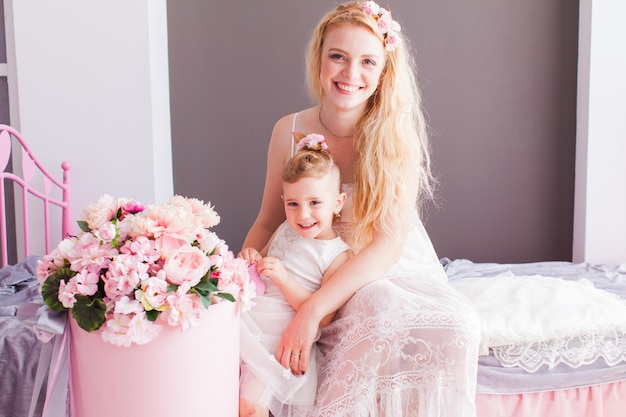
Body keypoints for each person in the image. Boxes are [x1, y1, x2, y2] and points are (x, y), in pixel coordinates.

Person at [241, 1, 481, 416]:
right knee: (367, 305)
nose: (351, 74)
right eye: (338, 57)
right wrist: (242, 280)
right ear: (319, 58)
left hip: (376, 261)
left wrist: (313, 311)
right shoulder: (290, 130)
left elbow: (387, 247)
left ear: (383, 72)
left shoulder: (395, 138)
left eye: (368, 61)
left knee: (432, 316)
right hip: (309, 257)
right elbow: (268, 220)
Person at [238, 134, 353, 417]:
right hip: (249, 321)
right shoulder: (285, 229)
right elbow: (263, 259)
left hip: (278, 338)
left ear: (337, 203)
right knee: (224, 393)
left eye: (315, 203)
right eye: (293, 204)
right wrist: (253, 257)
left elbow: (323, 315)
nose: (303, 215)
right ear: (284, 200)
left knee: (250, 407)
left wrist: (285, 280)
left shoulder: (337, 255)